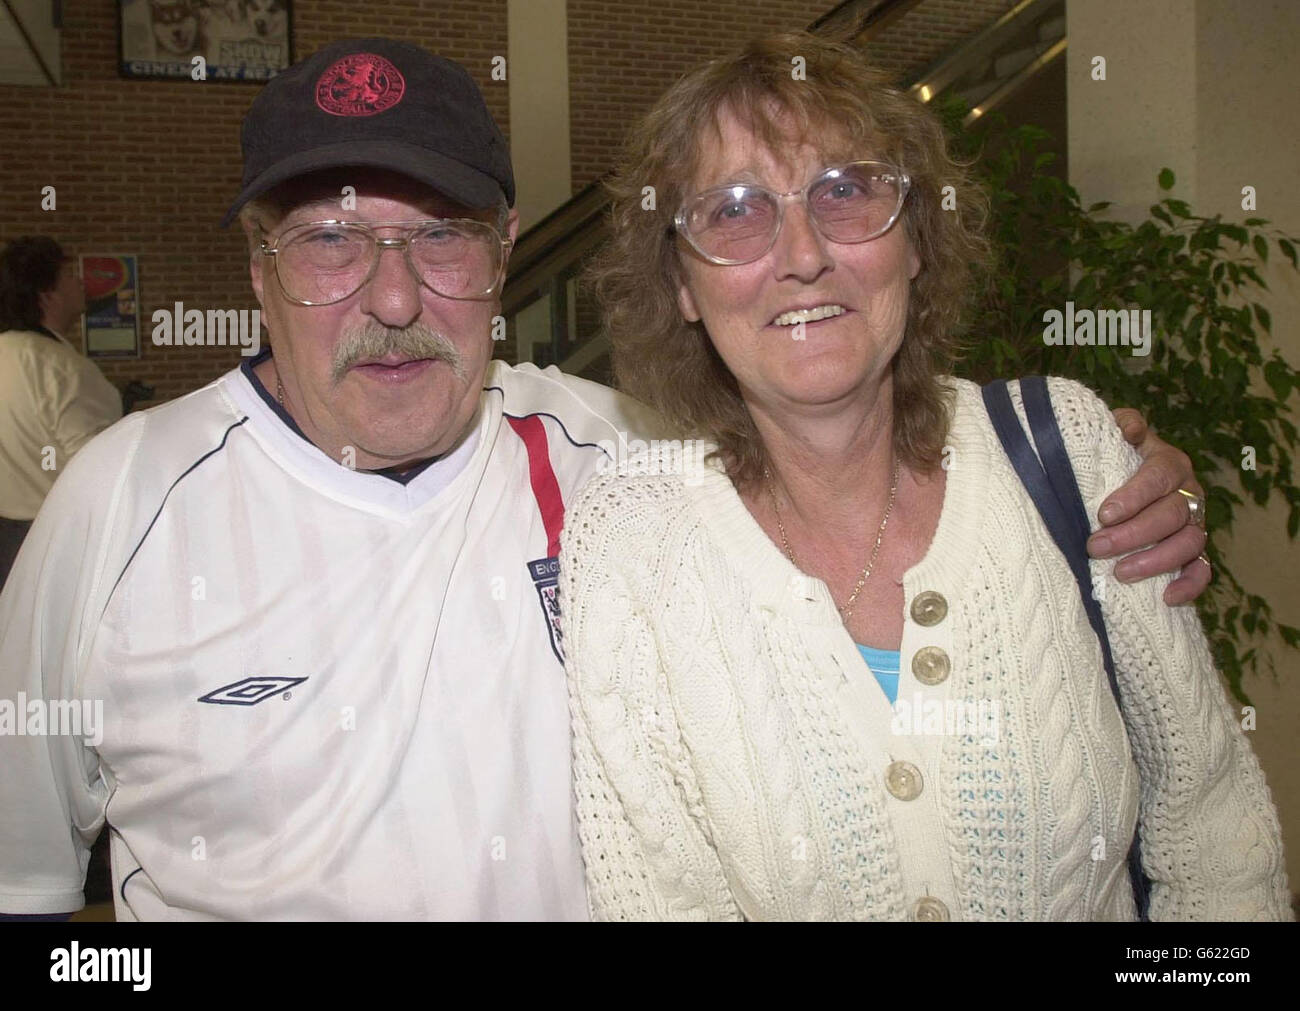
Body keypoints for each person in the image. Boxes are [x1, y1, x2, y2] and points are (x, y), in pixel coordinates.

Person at [0, 38, 1204, 922]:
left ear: (508, 251)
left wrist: (1130, 480)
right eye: (328, 240)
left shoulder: (627, 464)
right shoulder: (118, 510)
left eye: (440, 236)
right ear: (257, 269)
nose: (394, 297)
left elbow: (850, 470)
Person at [560, 32, 1290, 921]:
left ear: (914, 241)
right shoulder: (632, 543)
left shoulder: (1067, 450)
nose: (801, 254)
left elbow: (1215, 838)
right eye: (736, 210)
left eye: (844, 191)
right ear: (680, 282)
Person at [0, 237, 121, 591]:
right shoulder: (60, 368)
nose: (81, 281)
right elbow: (100, 472)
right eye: (69, 274)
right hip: (54, 546)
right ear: (46, 294)